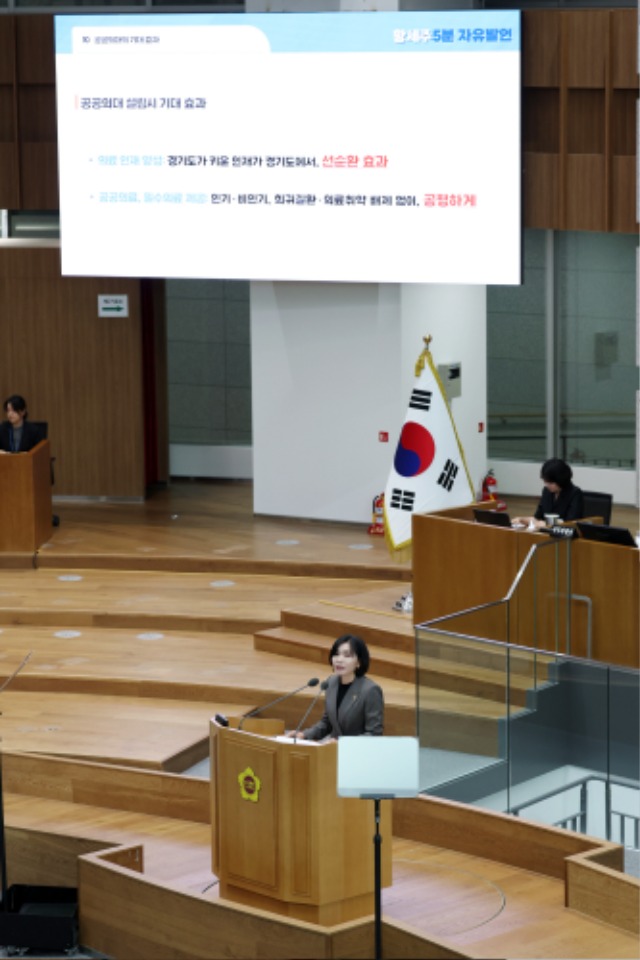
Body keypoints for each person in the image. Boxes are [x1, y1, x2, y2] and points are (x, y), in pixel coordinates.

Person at [295, 634, 384, 741]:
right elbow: (327, 723)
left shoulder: (370, 690)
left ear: (359, 662)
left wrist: (342, 743)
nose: (339, 660)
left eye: (347, 655)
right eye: (336, 654)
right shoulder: (331, 683)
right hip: (332, 752)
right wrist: (304, 735)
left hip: (356, 754)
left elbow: (374, 734)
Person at [513, 458, 584, 530]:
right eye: (545, 481)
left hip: (565, 537)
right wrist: (522, 520)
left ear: (561, 480)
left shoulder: (575, 493)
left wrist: (546, 523)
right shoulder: (547, 491)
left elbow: (570, 523)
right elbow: (538, 517)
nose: (547, 485)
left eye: (551, 483)